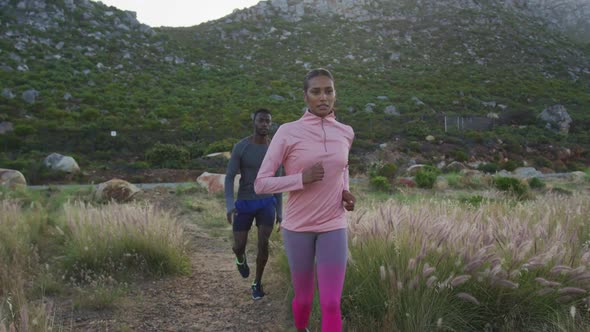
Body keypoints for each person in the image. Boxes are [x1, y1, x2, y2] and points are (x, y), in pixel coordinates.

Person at [254, 68, 355, 332]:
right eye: (316, 91)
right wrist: (301, 179)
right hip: (298, 227)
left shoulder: (346, 132)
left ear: (335, 94)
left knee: (332, 303)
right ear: (305, 96)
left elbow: (343, 167)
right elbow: (261, 183)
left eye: (329, 91)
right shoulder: (288, 132)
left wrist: (345, 191)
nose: (324, 97)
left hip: (334, 224)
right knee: (305, 299)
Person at [224, 108, 283, 300]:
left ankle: (257, 282)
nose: (264, 124)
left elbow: (278, 182)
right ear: (254, 121)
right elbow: (230, 177)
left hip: (267, 202)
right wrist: (229, 204)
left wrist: (280, 212)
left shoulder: (275, 149)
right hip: (245, 202)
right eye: (261, 120)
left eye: (268, 121)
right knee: (238, 245)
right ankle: (240, 259)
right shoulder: (241, 147)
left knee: (263, 244)